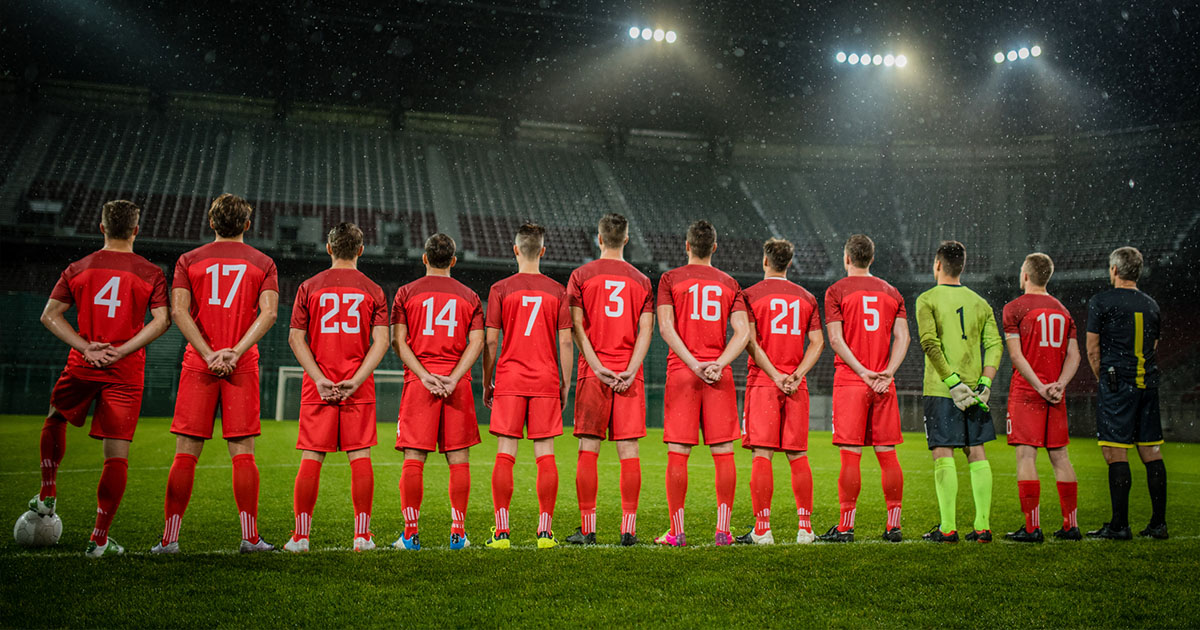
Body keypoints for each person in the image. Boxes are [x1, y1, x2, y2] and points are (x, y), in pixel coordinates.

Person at [33, 200, 170, 557]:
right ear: (136, 230)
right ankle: (98, 538)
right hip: (124, 370)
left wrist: (86, 347)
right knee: (116, 455)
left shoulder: (78, 267)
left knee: (55, 416)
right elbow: (162, 321)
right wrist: (121, 351)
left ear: (101, 228)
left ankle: (48, 490)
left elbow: (50, 316)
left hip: (83, 363)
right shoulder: (151, 272)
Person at [154, 193, 279, 554]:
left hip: (199, 362)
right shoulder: (263, 262)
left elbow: (178, 311)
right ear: (247, 225)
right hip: (242, 364)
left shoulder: (188, 260)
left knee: (185, 454)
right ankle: (250, 537)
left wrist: (209, 353)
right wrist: (235, 352)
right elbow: (268, 314)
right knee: (243, 453)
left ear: (211, 223)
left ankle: (169, 540)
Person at [283, 223, 390, 553]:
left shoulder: (309, 287)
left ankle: (301, 538)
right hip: (356, 384)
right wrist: (356, 380)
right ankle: (362, 536)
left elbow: (295, 338)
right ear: (361, 251)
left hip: (320, 384)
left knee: (312, 456)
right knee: (360, 457)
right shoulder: (373, 289)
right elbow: (382, 340)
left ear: (328, 249)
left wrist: (318, 378)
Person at [654, 220, 750, 547]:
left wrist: (693, 364)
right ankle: (723, 531)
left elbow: (666, 328)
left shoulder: (670, 279)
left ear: (686, 246)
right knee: (723, 452)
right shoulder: (729, 282)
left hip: (683, 370)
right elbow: (743, 332)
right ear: (714, 247)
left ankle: (677, 532)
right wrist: (719, 363)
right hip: (716, 373)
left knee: (679, 452)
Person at [563, 214, 654, 547]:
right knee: (628, 451)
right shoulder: (642, 281)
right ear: (626, 240)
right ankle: (628, 530)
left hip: (594, 372)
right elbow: (646, 329)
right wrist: (631, 368)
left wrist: (597, 365)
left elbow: (577, 328)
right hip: (630, 373)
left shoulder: (581, 276)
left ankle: (588, 530)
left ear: (599, 239)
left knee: (589, 450)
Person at [482, 223, 573, 549]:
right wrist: (565, 384)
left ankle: (502, 533)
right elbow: (565, 342)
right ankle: (545, 533)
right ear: (543, 251)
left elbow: (491, 341)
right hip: (546, 379)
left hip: (509, 379)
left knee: (506, 454)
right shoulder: (558, 291)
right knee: (545, 456)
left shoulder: (500, 288)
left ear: (516, 250)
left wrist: (486, 380)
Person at [391, 233, 485, 551]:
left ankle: (411, 535)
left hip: (420, 383)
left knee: (414, 460)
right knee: (458, 461)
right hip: (457, 385)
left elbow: (398, 342)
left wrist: (424, 376)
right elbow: (477, 342)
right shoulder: (470, 296)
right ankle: (458, 535)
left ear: (424, 258)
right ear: (453, 261)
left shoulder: (406, 292)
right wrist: (455, 377)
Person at [735, 238, 824, 546]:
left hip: (764, 382)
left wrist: (775, 375)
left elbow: (748, 341)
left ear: (765, 261)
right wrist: (796, 374)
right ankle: (805, 529)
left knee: (762, 454)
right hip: (796, 385)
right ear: (789, 262)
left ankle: (762, 530)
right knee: (798, 455)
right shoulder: (807, 298)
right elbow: (817, 343)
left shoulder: (748, 296)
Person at [822, 234, 909, 543]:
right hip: (884, 383)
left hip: (852, 381)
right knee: (887, 454)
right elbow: (903, 337)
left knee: (851, 455)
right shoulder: (891, 292)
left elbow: (835, 340)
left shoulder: (836, 291)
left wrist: (862, 372)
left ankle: (846, 528)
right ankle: (893, 526)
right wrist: (887, 372)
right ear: (871, 259)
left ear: (847, 258)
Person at [917, 240, 1003, 544]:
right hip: (976, 391)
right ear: (962, 267)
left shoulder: (927, 299)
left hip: (942, 389)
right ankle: (983, 527)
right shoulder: (980, 302)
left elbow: (929, 343)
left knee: (943, 451)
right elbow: (994, 344)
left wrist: (952, 382)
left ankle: (948, 528)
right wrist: (985, 384)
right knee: (976, 451)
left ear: (938, 265)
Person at [1086, 246, 1167, 540]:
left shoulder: (1101, 301)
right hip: (1148, 383)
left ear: (1115, 270)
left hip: (1117, 384)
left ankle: (1119, 525)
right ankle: (1158, 524)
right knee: (1151, 451)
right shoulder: (1152, 305)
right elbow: (1154, 346)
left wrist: (1106, 380)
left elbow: (1093, 350)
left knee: (1115, 452)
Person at [1001, 253, 1082, 543]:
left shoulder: (1014, 308)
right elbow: (1075, 355)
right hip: (1055, 394)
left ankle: (1033, 528)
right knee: (1060, 457)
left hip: (1027, 391)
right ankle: (1071, 526)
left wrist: (1039, 386)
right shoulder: (1064, 311)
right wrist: (1059, 384)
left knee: (1026, 456)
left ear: (1026, 275)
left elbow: (1016, 355)